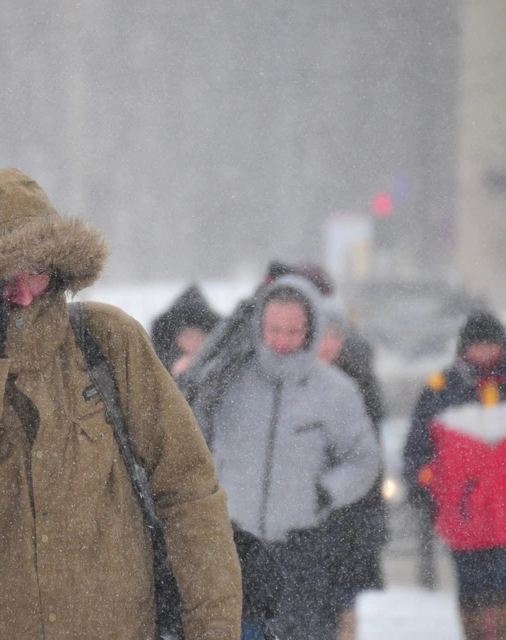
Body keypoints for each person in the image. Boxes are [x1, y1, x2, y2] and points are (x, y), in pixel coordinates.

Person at [0, 168, 242, 639]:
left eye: (36, 271)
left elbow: (189, 491)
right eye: (3, 280)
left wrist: (213, 631)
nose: (26, 293)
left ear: (58, 267)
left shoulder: (109, 343)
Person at [193, 274, 382, 640]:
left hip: (303, 552)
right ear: (259, 325)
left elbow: (364, 459)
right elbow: (195, 438)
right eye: (273, 328)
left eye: (293, 330)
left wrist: (325, 492)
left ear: (311, 329)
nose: (282, 340)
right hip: (235, 549)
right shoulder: (229, 381)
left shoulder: (335, 392)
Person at [296, 263, 388, 640]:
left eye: (335, 336)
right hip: (306, 511)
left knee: (344, 600)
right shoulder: (292, 380)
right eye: (322, 336)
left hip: (350, 514)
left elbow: (369, 453)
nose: (327, 344)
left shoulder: (359, 380)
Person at [403, 310, 506, 639]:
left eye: (492, 344)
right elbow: (418, 448)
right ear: (464, 348)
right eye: (479, 345)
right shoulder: (441, 389)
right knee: (473, 596)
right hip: (463, 518)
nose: (486, 352)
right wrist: (423, 486)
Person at [150, 285, 221, 379]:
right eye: (188, 337)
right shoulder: (155, 365)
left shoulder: (221, 364)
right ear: (174, 339)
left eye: (200, 337)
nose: (194, 343)